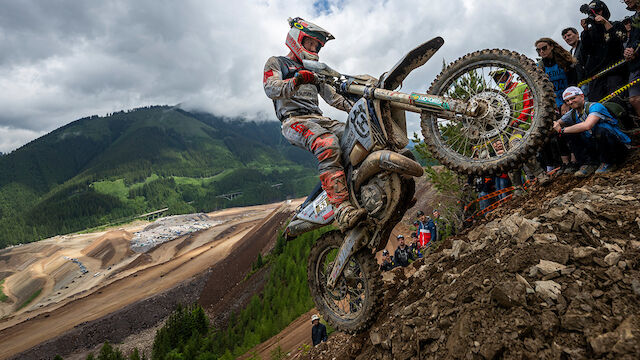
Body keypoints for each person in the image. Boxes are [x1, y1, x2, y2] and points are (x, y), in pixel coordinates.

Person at [263, 17, 365, 231]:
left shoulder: (315, 70)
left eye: (317, 46)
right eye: (310, 43)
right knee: (327, 144)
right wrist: (297, 80)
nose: (314, 48)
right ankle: (342, 209)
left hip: (319, 118)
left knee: (359, 134)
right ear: (296, 39)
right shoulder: (277, 62)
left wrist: (360, 106)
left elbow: (333, 97)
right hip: (294, 120)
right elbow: (271, 89)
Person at [553, 86, 631, 175]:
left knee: (600, 130)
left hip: (617, 144)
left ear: (582, 96)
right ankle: (590, 163)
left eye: (573, 98)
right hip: (598, 146)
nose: (570, 102)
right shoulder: (572, 113)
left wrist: (562, 130)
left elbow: (587, 125)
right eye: (567, 101)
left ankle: (608, 162)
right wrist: (555, 125)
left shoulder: (595, 106)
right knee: (572, 132)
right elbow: (557, 123)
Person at [578, 0, 627, 102]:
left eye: (598, 11)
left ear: (604, 11)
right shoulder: (589, 32)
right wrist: (585, 31)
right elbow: (585, 52)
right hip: (596, 75)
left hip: (615, 71)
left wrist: (605, 22)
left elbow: (618, 43)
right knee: (596, 106)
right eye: (591, 12)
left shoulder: (616, 25)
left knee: (616, 102)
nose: (595, 14)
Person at [535, 38, 578, 110]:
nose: (541, 51)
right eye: (538, 50)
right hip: (552, 102)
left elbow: (573, 82)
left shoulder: (565, 61)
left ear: (551, 46)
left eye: (544, 48)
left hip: (569, 97)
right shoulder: (539, 67)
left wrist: (566, 102)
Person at [623, 0, 640, 119]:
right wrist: (628, 50)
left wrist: (635, 50)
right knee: (634, 99)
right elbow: (633, 39)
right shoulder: (634, 18)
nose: (625, 1)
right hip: (635, 63)